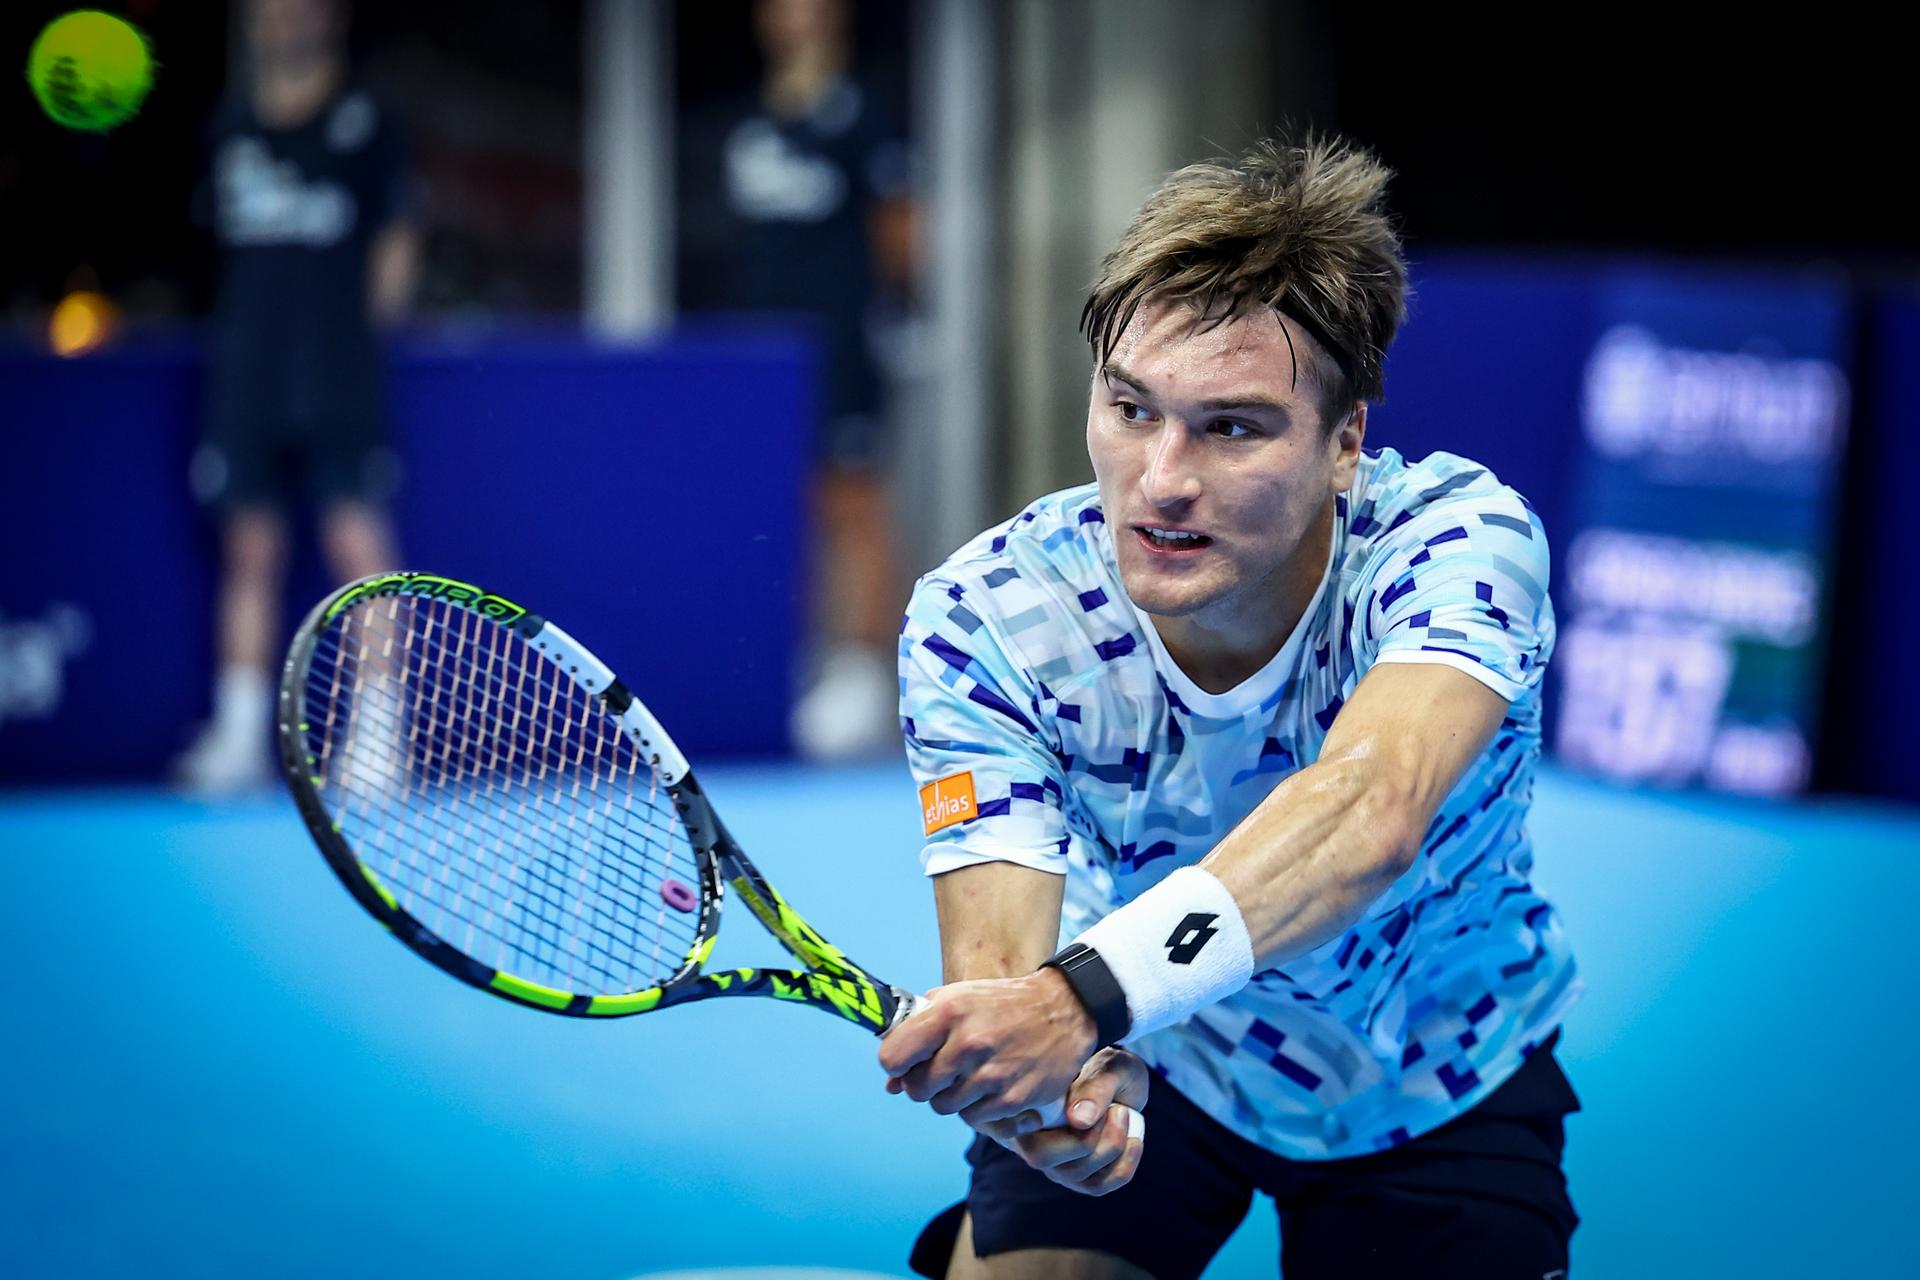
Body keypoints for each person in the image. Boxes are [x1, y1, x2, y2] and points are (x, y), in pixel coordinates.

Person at [879, 135, 1581, 1279]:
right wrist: (1052, 1097)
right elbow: (1011, 981)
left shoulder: (1456, 543)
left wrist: (1080, 997)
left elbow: (1371, 807)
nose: (1161, 478)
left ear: (1347, 440)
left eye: (1233, 425)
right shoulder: (987, 616)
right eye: (1131, 407)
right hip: (1166, 1048)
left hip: (1438, 1066)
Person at [176, 0, 419, 793]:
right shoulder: (229, 126)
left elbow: (394, 251)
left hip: (337, 370)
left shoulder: (369, 123)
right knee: (248, 548)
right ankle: (241, 735)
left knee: (357, 542)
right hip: (247, 371)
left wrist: (354, 346)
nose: (284, 16)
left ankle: (380, 743)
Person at [681, 0, 916, 760]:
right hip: (765, 354)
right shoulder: (751, 123)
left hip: (841, 344)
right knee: (784, 507)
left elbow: (899, 223)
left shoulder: (861, 117)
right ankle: (805, 664)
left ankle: (866, 672)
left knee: (852, 500)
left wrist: (900, 307)